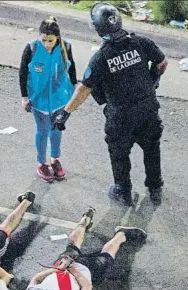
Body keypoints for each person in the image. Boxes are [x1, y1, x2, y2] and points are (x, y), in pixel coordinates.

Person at [52, 3, 168, 206]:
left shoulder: (101, 58)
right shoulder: (141, 43)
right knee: (152, 149)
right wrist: (153, 80)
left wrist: (65, 112)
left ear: (98, 28)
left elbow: (84, 89)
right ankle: (155, 186)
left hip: (121, 117)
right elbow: (162, 63)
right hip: (148, 110)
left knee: (119, 155)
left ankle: (123, 191)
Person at [23, 207, 147, 290]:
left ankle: (122, 234)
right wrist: (59, 269)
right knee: (73, 245)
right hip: (63, 263)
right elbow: (37, 278)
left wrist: (74, 272)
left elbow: (87, 287)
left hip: (86, 270)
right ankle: (84, 220)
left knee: (107, 257)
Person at [19, 16, 77, 183]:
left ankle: (55, 159)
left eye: (50, 40)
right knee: (43, 132)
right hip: (39, 102)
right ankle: (42, 163)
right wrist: (24, 97)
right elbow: (22, 73)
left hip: (60, 100)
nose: (46, 44)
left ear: (57, 38)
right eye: (43, 40)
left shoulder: (66, 47)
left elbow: (72, 70)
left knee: (57, 130)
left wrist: (74, 93)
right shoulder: (31, 48)